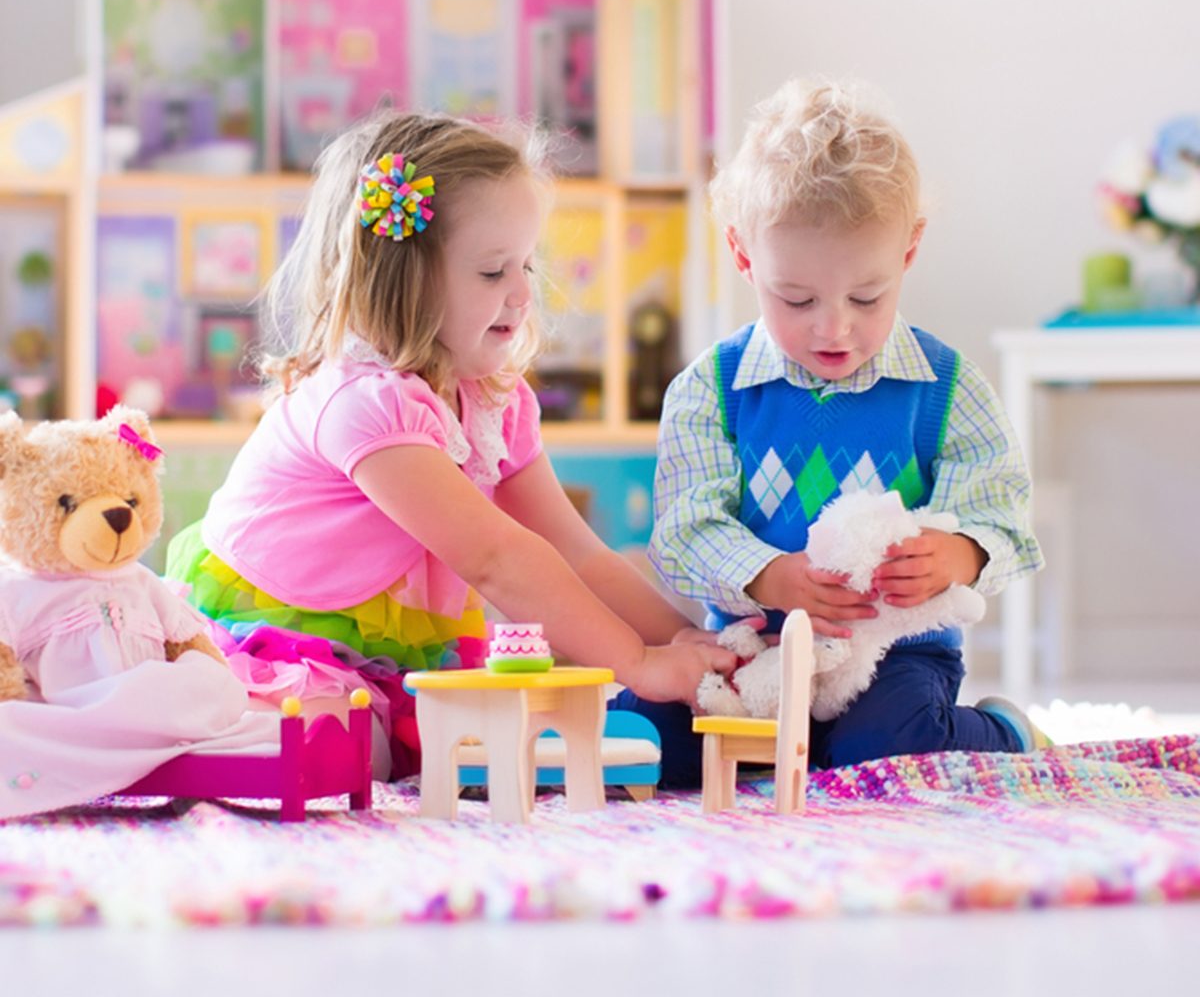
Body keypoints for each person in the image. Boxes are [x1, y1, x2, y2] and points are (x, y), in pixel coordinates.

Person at [166, 111, 734, 780]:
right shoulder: (363, 403)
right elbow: (496, 558)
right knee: (339, 760)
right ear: (403, 278)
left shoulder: (496, 401)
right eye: (494, 272)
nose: (523, 292)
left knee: (444, 748)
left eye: (526, 264)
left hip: (384, 652)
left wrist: (688, 641)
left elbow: (578, 552)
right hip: (282, 636)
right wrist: (636, 664)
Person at [637, 78, 1046, 786]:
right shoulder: (713, 388)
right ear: (743, 255)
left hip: (894, 656)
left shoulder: (945, 387)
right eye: (796, 299)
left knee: (885, 747)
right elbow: (682, 530)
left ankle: (1004, 731)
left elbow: (1004, 512)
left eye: (867, 296)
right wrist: (769, 575)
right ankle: (797, 748)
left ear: (909, 252)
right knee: (650, 741)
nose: (834, 326)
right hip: (750, 651)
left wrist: (959, 554)